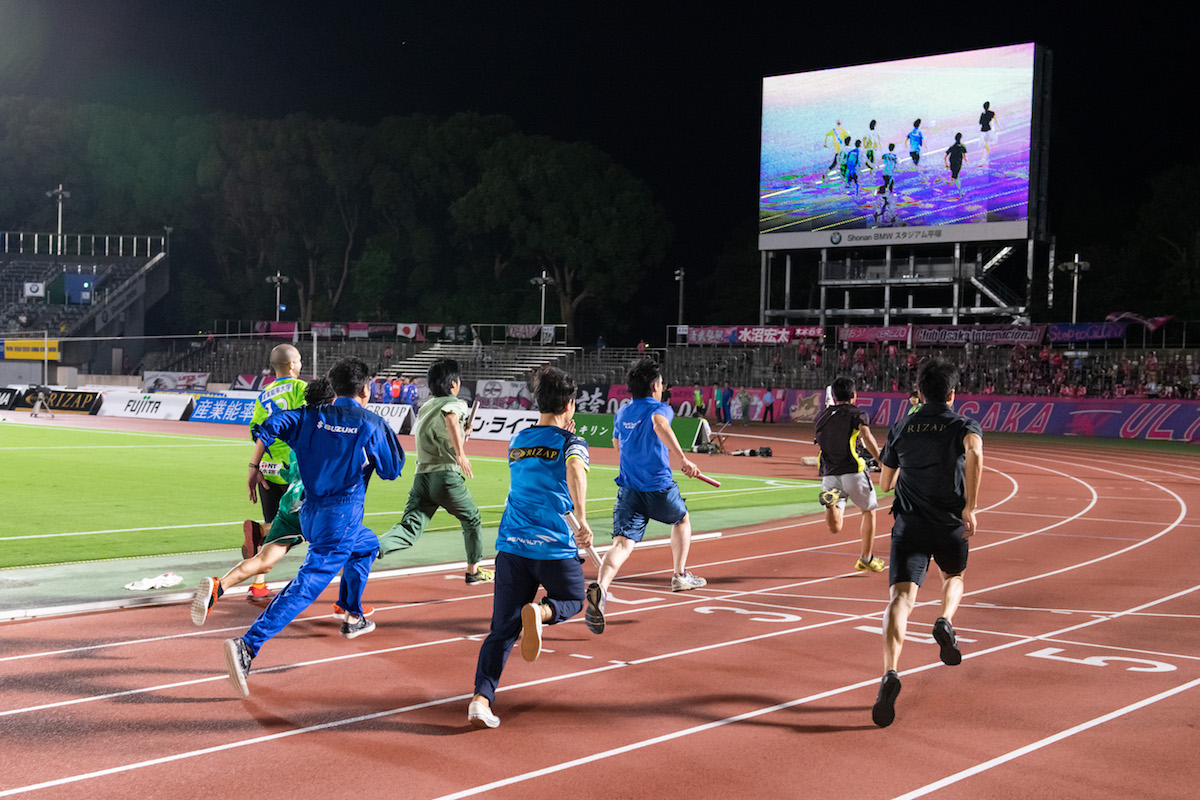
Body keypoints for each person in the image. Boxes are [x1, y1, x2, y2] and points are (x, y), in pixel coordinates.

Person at [223, 356, 406, 698]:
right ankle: (248, 645)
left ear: (334, 387)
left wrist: (254, 464)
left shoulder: (308, 416)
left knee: (366, 546)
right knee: (307, 586)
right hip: (340, 518)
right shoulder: (371, 424)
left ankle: (353, 614)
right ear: (366, 389)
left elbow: (269, 426)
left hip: (310, 513)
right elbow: (392, 470)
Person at [467, 366, 593, 729]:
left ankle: (480, 698)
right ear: (569, 404)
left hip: (512, 545)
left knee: (501, 630)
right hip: (552, 545)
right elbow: (575, 472)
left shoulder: (517, 440)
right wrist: (582, 520)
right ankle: (540, 614)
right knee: (571, 599)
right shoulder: (573, 444)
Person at [871, 358, 984, 727]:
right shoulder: (963, 424)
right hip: (950, 522)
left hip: (909, 524)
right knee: (953, 577)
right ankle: (945, 619)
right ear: (953, 393)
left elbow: (885, 484)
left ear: (919, 391)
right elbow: (977, 453)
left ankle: (890, 672)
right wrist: (970, 507)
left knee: (899, 600)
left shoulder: (903, 425)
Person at [191, 379, 356, 626]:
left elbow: (290, 473)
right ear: (332, 402)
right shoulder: (337, 434)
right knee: (349, 552)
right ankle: (349, 609)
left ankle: (219, 586)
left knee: (264, 562)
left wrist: (257, 465)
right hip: (315, 508)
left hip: (289, 505)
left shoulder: (297, 438)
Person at [586, 358, 705, 634]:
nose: (663, 388)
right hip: (658, 487)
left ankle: (601, 590)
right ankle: (679, 575)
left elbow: (617, 443)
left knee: (622, 544)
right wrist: (684, 460)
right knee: (682, 520)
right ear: (654, 386)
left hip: (628, 490)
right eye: (661, 384)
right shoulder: (660, 408)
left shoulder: (622, 413)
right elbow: (660, 425)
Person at [375, 358, 494, 584]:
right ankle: (473, 570)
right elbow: (450, 418)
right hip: (446, 476)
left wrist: (460, 434)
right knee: (472, 519)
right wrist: (460, 453)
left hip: (422, 477)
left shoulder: (426, 407)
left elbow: (443, 430)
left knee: (409, 528)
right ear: (454, 384)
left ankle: (369, 549)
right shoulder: (456, 403)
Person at [246, 343, 308, 600]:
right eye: (300, 360)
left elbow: (256, 431)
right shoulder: (301, 388)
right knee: (305, 525)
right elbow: (307, 421)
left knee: (276, 525)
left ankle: (258, 583)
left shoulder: (263, 395)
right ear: (292, 364)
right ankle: (259, 530)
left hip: (267, 468)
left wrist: (255, 465)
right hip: (293, 468)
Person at [814, 377, 884, 573]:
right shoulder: (857, 414)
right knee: (869, 511)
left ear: (835, 396)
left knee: (835, 527)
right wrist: (879, 459)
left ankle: (830, 504)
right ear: (854, 395)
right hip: (853, 471)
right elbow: (866, 436)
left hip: (829, 473)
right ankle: (866, 558)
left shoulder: (822, 417)